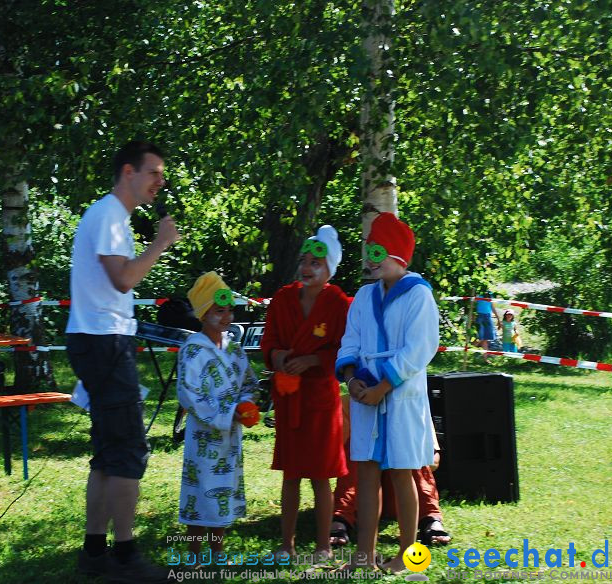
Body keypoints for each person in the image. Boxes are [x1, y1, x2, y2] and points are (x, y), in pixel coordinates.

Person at [66, 141, 179, 583]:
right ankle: (126, 557)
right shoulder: (111, 215)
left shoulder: (108, 215)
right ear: (128, 171)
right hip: (103, 342)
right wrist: (160, 243)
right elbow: (123, 278)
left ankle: (95, 553)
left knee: (109, 453)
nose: (160, 181)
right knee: (129, 452)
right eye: (153, 172)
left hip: (97, 340)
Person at [335, 212, 440, 574]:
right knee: (365, 469)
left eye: (377, 252)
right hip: (366, 392)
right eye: (368, 251)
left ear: (397, 256)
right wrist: (352, 379)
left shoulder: (419, 295)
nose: (370, 259)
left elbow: (420, 348)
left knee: (401, 471)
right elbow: (350, 340)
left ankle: (407, 555)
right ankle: (364, 555)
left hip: (400, 393)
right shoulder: (364, 296)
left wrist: (384, 385)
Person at [260, 225, 351, 562]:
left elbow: (345, 348)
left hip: (320, 399)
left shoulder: (339, 302)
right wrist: (279, 357)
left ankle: (324, 545)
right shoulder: (283, 298)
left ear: (330, 269)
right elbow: (268, 343)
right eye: (304, 261)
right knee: (291, 474)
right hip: (289, 396)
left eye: (316, 262)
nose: (308, 268)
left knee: (319, 475)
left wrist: (315, 358)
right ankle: (287, 543)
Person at [177, 272, 260, 563]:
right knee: (199, 493)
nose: (226, 317)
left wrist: (247, 405)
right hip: (203, 438)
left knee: (221, 493)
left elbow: (250, 383)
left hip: (230, 439)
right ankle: (193, 554)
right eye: (219, 310)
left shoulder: (235, 350)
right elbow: (189, 394)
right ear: (203, 313)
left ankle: (217, 552)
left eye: (229, 310)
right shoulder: (192, 350)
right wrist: (227, 413)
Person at [330, 394, 451, 548]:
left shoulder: (409, 403)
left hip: (400, 489)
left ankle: (430, 519)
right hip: (360, 490)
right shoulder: (349, 404)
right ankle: (341, 518)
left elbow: (433, 461)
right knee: (356, 447)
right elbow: (335, 462)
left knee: (409, 451)